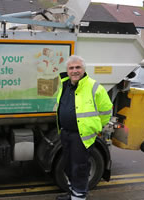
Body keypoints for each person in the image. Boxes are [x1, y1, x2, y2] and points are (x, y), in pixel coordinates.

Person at [55, 55, 112, 200]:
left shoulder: (94, 87)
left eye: (77, 67)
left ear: (84, 69)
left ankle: (79, 197)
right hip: (66, 133)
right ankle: (72, 193)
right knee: (67, 166)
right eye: (71, 68)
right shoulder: (65, 85)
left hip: (82, 136)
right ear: (67, 71)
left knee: (79, 168)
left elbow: (106, 111)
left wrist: (95, 128)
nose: (74, 71)